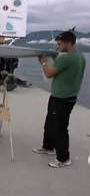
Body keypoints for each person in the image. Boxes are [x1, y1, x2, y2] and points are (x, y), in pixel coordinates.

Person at [32, 31, 86, 168]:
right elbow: (66, 71)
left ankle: (63, 158)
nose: (58, 44)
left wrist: (44, 62)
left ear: (68, 42)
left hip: (62, 99)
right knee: (50, 123)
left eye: (59, 42)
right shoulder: (80, 57)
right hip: (66, 97)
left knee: (60, 128)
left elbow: (49, 73)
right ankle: (48, 147)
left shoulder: (66, 58)